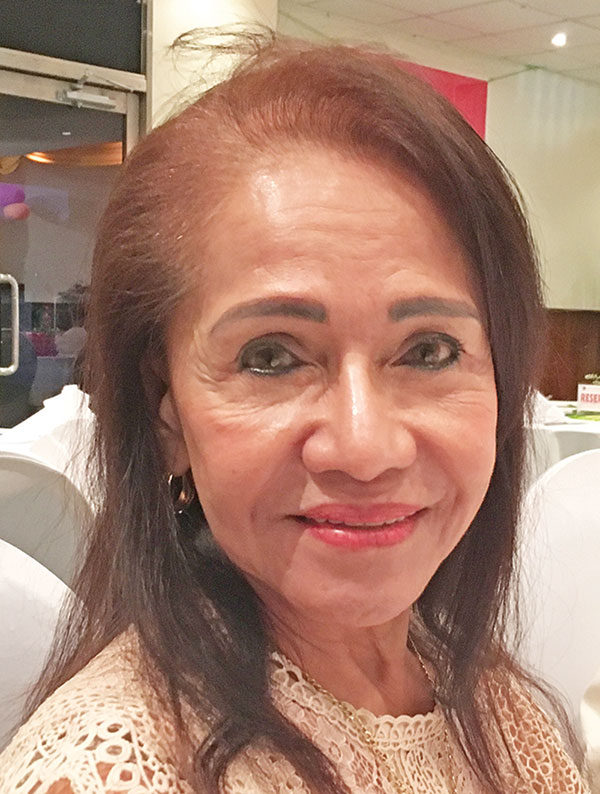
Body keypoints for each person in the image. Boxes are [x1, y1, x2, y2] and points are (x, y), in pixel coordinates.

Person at [0, 33, 589, 794]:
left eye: (429, 350)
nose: (365, 448)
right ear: (165, 412)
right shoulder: (113, 769)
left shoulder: (479, 693)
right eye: (272, 357)